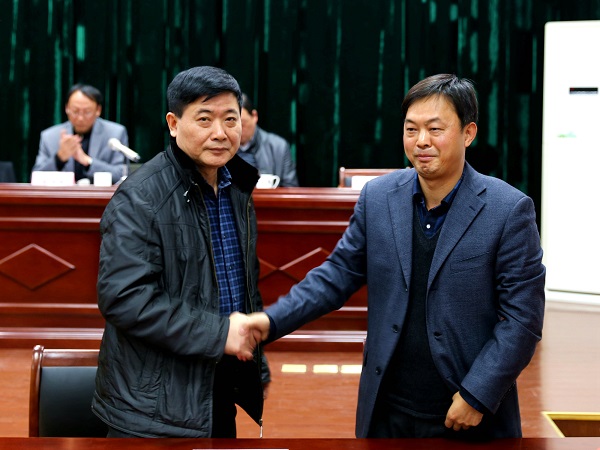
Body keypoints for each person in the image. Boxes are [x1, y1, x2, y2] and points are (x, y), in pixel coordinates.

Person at [247, 74, 545, 440]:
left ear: (468, 133)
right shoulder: (378, 197)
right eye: (411, 129)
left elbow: (522, 319)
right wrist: (270, 321)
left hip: (465, 413)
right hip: (387, 411)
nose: (421, 141)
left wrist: (477, 394)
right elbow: (336, 275)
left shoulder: (508, 210)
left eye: (435, 129)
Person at [92, 66, 270, 438]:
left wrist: (256, 364)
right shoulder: (140, 197)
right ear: (174, 124)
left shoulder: (236, 186)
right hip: (152, 407)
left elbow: (241, 285)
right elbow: (125, 298)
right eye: (204, 119)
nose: (220, 133)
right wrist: (219, 333)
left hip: (216, 387)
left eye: (230, 119)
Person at [32, 84, 129, 184]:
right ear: (67, 108)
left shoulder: (115, 133)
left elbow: (122, 175)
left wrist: (88, 161)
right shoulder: (50, 136)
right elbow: (36, 176)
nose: (80, 118)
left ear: (98, 110)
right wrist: (59, 158)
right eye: (75, 111)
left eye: (87, 112)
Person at [237, 93, 299, 187]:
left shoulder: (279, 147)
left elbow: (291, 189)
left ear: (254, 116)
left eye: (243, 124)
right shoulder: (222, 147)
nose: (238, 130)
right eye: (232, 123)